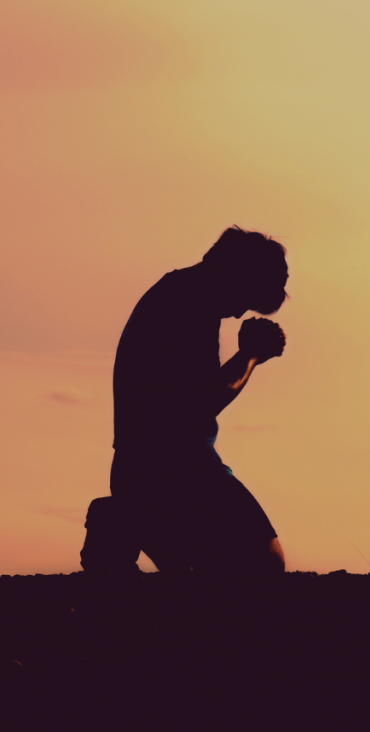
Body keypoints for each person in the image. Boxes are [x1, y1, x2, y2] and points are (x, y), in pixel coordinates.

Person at [80, 226, 288, 577]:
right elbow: (202, 400)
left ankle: (124, 518)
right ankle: (123, 518)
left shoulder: (178, 294)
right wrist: (250, 356)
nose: (239, 313)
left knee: (191, 576)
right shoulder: (190, 302)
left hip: (138, 468)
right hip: (180, 467)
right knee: (266, 563)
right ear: (236, 272)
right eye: (246, 297)